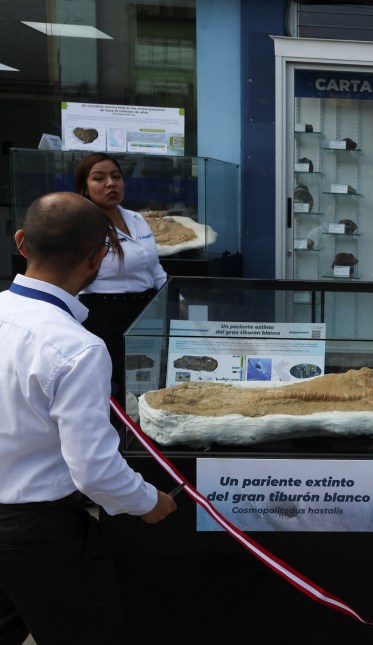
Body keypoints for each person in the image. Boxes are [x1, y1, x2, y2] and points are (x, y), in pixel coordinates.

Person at [0, 192, 177, 645]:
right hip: (39, 532)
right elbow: (94, 470)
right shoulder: (77, 347)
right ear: (99, 257)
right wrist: (147, 501)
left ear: (21, 242)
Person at [74, 152, 168, 398]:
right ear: (85, 188)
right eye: (99, 178)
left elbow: (155, 268)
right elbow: (72, 275)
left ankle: (140, 435)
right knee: (113, 387)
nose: (110, 184)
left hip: (146, 313)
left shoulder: (136, 219)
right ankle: (115, 434)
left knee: (147, 382)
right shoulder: (82, 224)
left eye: (116, 176)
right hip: (104, 317)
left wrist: (176, 299)